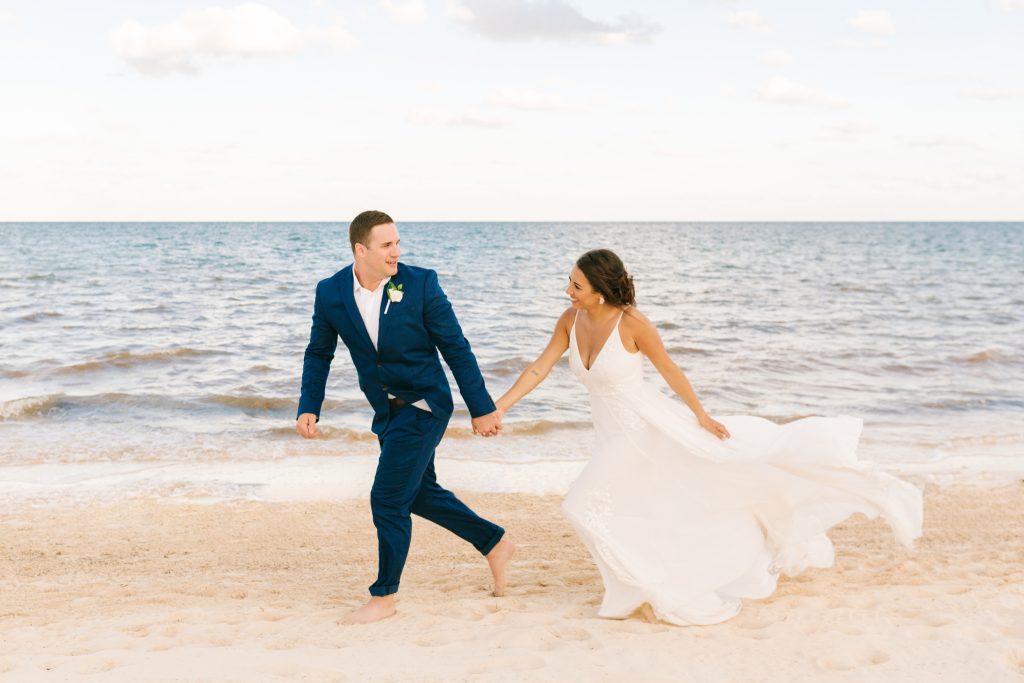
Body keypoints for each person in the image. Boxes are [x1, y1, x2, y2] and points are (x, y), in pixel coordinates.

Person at [494, 248, 923, 626]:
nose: (568, 290)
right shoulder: (570, 319)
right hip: (610, 432)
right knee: (643, 507)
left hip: (642, 428)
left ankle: (645, 586)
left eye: (577, 284)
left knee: (582, 504)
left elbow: (669, 370)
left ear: (601, 290)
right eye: (569, 281)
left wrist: (701, 415)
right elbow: (539, 367)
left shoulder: (633, 325)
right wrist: (499, 408)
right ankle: (643, 582)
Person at [296, 210, 515, 625]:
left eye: (397, 242)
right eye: (386, 245)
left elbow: (456, 347)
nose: (397, 251)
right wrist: (309, 404)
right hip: (386, 409)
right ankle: (493, 542)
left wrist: (482, 407)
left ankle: (384, 597)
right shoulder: (330, 293)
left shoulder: (420, 283)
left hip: (425, 405)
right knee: (415, 493)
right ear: (361, 250)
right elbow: (318, 352)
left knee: (386, 498)